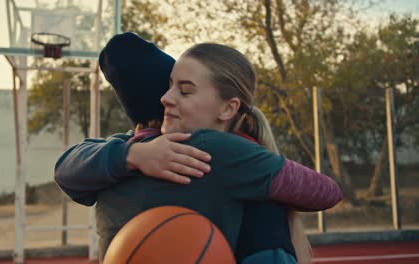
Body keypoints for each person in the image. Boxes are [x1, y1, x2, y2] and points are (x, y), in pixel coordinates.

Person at [55, 33, 342, 263]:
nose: (166, 97)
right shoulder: (220, 151)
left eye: (185, 90)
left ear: (229, 108)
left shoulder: (120, 150)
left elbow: (64, 169)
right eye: (168, 86)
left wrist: (131, 155)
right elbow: (326, 192)